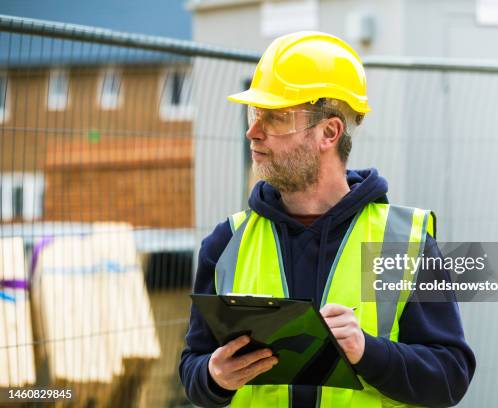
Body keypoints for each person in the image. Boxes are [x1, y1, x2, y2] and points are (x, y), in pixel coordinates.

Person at [179, 31, 476, 407]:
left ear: (329, 132)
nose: (252, 133)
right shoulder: (226, 244)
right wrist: (214, 377)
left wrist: (368, 352)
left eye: (276, 117)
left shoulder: (404, 241)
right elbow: (193, 368)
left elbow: (450, 377)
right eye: (256, 115)